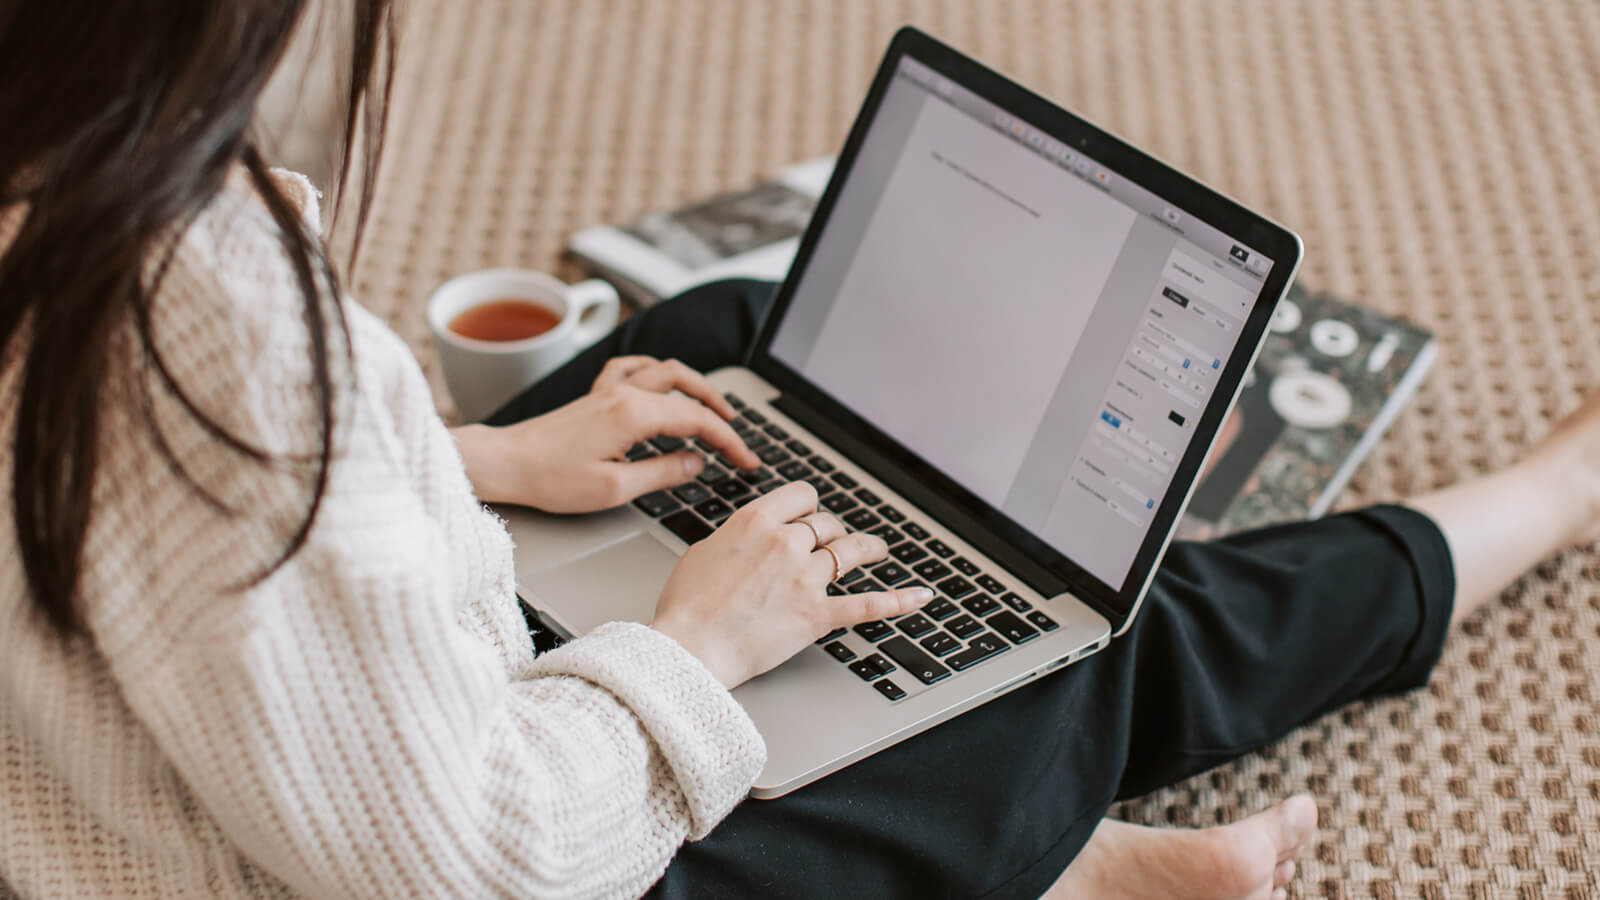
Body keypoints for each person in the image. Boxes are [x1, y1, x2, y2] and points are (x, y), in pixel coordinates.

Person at [1, 4, 1592, 899]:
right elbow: (488, 870)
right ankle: (1061, 858)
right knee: (1071, 647)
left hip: (236, 768)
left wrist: (484, 466)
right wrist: (696, 643)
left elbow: (187, 546)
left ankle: (1026, 851)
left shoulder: (77, 236)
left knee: (714, 339)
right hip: (467, 844)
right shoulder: (206, 328)